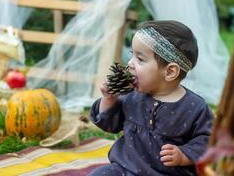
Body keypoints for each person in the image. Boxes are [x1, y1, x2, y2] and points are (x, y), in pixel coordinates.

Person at [89, 20, 213, 176]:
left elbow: (209, 141)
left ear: (170, 72)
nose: (130, 64)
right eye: (132, 55)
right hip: (124, 170)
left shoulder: (194, 107)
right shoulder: (131, 95)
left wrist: (184, 155)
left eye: (140, 59)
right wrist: (109, 100)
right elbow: (109, 125)